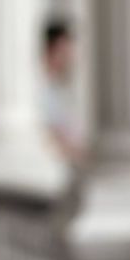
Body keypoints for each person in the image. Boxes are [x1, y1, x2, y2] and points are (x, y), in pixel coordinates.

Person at [42, 18, 85, 163]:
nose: (69, 57)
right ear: (50, 51)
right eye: (64, 51)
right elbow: (50, 134)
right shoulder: (42, 90)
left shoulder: (63, 87)